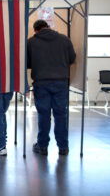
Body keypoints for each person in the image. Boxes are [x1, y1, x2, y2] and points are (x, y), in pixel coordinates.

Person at [27, 19, 76, 156]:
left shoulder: (31, 41)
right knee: (61, 115)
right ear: (48, 27)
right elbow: (72, 59)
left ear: (36, 30)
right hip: (61, 82)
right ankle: (63, 147)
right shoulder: (64, 39)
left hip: (41, 82)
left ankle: (42, 146)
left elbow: (27, 62)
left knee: (43, 115)